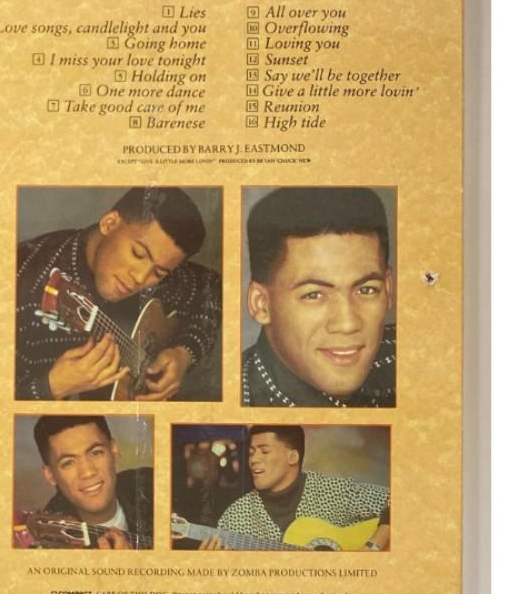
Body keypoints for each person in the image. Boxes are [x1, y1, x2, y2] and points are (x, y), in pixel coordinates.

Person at [15, 187, 221, 401]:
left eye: (158, 273)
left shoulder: (160, 266)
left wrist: (185, 354)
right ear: (109, 223)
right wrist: (51, 387)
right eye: (137, 254)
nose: (140, 278)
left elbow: (214, 288)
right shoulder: (22, 278)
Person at [242, 186, 396, 408]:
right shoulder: (233, 400)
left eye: (366, 290)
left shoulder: (419, 360)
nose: (347, 324)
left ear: (388, 289)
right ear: (261, 304)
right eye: (313, 295)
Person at [197, 426, 390, 551]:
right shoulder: (235, 519)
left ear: (293, 457)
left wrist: (372, 547)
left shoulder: (334, 489)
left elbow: (401, 500)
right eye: (251, 453)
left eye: (264, 451)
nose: (254, 459)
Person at [31, 415, 153, 549]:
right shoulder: (49, 548)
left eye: (95, 453)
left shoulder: (153, 483)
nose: (88, 472)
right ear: (50, 475)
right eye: (68, 463)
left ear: (114, 450)